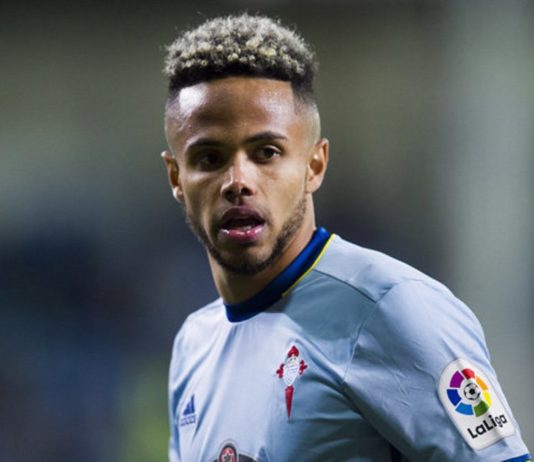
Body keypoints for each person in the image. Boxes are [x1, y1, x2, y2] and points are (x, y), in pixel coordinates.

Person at [161, 13, 531, 462]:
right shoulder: (194, 344)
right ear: (176, 177)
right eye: (209, 158)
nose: (238, 181)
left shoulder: (392, 309)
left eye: (266, 153)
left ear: (314, 166)